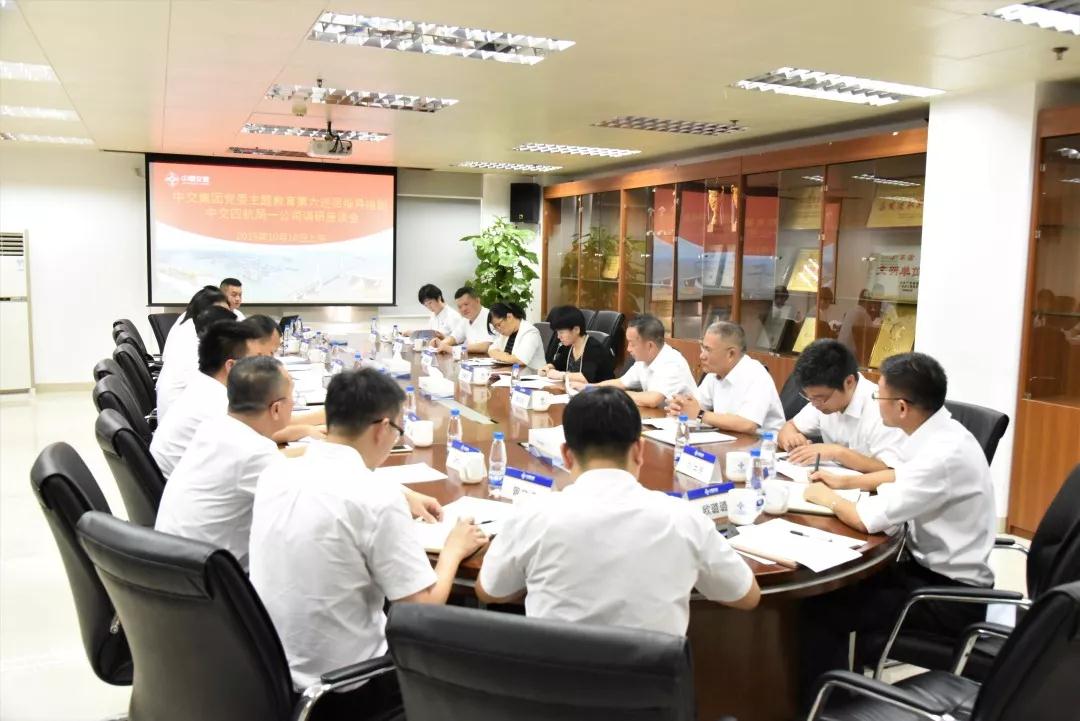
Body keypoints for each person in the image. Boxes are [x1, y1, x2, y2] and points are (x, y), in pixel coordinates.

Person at [249, 369, 488, 717]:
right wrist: (454, 549)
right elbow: (422, 609)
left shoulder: (275, 472)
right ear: (382, 428)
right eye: (398, 431)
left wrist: (400, 494)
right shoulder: (375, 498)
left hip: (269, 670)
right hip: (347, 691)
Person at [476, 386, 759, 634]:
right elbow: (747, 596)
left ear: (566, 455)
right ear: (639, 451)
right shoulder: (684, 519)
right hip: (651, 679)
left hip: (556, 678)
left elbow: (490, 591)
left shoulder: (533, 515)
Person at [799, 352, 995, 702]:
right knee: (834, 588)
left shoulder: (941, 456)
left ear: (901, 407)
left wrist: (825, 497)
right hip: (925, 571)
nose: (875, 401)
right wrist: (845, 482)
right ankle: (843, 688)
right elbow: (899, 476)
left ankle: (832, 707)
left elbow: (866, 518)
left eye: (880, 396)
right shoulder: (940, 434)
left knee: (821, 607)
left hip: (945, 597)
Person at [154, 356, 293, 569]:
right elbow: (303, 506)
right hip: (209, 578)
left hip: (176, 564)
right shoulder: (255, 452)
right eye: (292, 397)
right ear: (276, 409)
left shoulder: (213, 428)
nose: (293, 404)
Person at [151, 316, 320, 478]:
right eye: (254, 360)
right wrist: (320, 446)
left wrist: (309, 431)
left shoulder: (207, 387)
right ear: (231, 366)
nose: (262, 367)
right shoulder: (217, 403)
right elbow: (262, 453)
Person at [777, 339, 904, 472]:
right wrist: (792, 440)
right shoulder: (821, 401)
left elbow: (890, 471)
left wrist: (837, 453)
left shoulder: (882, 409)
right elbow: (789, 427)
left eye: (820, 398)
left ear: (849, 382)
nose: (814, 404)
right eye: (809, 397)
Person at [667, 321, 784, 435]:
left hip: (763, 443)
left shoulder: (757, 375)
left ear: (731, 354)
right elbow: (696, 405)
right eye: (702, 348)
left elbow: (748, 424)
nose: (702, 356)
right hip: (730, 438)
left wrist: (700, 414)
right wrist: (681, 407)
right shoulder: (714, 373)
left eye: (708, 350)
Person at [156, 287, 231, 419]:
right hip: (183, 419)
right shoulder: (190, 344)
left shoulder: (189, 326)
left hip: (179, 415)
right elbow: (217, 392)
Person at [597, 314, 696, 408]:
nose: (628, 349)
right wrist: (591, 388)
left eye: (632, 344)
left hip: (686, 419)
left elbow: (652, 400)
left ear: (650, 346)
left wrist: (615, 394)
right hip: (660, 416)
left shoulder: (672, 362)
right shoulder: (643, 360)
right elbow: (621, 382)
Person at [539, 305, 615, 383]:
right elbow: (558, 364)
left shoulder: (593, 348)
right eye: (557, 332)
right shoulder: (568, 346)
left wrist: (561, 375)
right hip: (574, 389)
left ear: (576, 330)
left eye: (561, 332)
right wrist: (547, 368)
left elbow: (586, 378)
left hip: (601, 390)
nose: (558, 337)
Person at [487, 301, 547, 369]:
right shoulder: (506, 333)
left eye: (498, 325)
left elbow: (520, 360)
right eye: (495, 327)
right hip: (511, 371)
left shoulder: (530, 332)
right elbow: (491, 350)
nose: (498, 329)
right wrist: (506, 357)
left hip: (531, 373)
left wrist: (500, 355)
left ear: (509, 317)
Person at [436, 286, 494, 355]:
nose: (463, 309)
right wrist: (441, 344)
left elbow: (485, 346)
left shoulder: (491, 317)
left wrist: (451, 349)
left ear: (477, 301)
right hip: (472, 358)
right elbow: (454, 337)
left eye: (466, 304)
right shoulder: (465, 320)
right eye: (460, 307)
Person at [410, 284, 467, 348]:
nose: (429, 307)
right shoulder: (433, 315)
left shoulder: (453, 316)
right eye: (426, 305)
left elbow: (460, 340)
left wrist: (444, 338)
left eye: (430, 303)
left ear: (439, 298)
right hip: (434, 349)